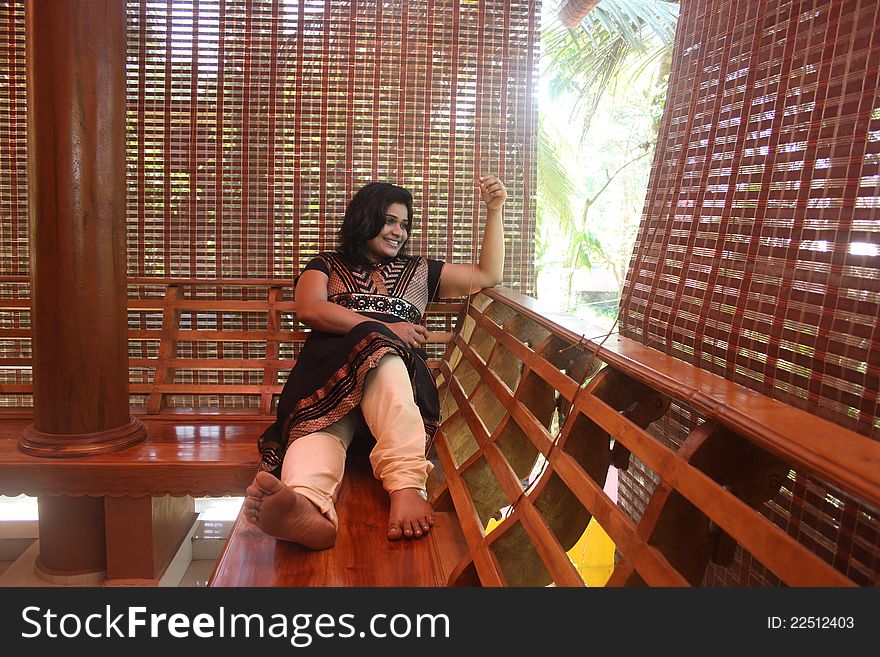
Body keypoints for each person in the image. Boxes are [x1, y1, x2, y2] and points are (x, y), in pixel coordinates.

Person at [244, 175, 507, 548]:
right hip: (327, 384)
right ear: (364, 218)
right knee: (321, 427)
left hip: (395, 392)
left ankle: (405, 485)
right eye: (389, 220)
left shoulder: (420, 271)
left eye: (404, 224)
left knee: (381, 352)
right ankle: (307, 505)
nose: (398, 231)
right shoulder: (326, 264)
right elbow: (309, 308)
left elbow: (487, 275)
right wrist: (388, 327)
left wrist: (494, 211)